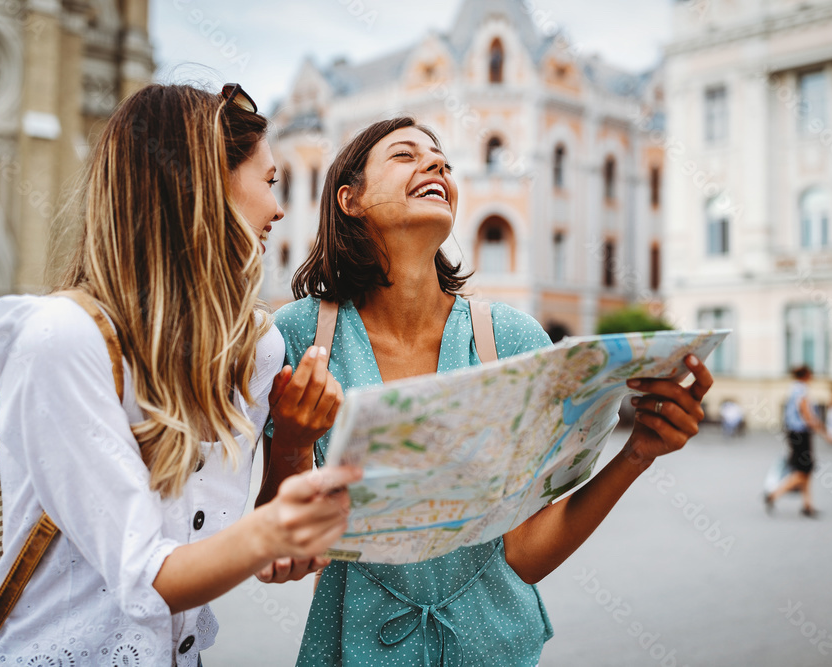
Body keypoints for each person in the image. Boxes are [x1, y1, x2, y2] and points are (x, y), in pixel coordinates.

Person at [260, 117, 714, 665]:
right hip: (354, 650)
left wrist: (636, 452)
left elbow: (523, 555)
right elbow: (279, 548)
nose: (436, 166)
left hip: (497, 649)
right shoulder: (300, 335)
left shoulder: (512, 337)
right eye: (405, 156)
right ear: (349, 198)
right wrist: (289, 443)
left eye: (442, 161)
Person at [0, 83, 359, 665]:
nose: (279, 209)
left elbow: (257, 556)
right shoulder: (62, 338)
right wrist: (278, 527)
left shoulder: (254, 348)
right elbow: (145, 576)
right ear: (203, 184)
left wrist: (295, 448)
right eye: (269, 182)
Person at [766, 365, 832, 517]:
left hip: (794, 433)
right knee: (803, 470)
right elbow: (807, 415)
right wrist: (824, 432)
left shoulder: (793, 388)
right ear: (806, 375)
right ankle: (773, 494)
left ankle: (807, 505)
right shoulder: (801, 390)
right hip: (800, 434)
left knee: (806, 469)